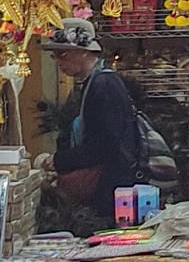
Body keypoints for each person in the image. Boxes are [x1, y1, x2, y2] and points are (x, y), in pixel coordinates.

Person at [42, 19, 140, 221]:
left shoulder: (103, 85)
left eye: (63, 54)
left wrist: (60, 160)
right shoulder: (95, 82)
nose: (58, 62)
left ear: (85, 51)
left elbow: (105, 144)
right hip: (111, 186)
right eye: (54, 56)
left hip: (111, 190)